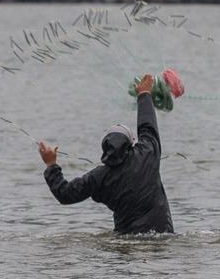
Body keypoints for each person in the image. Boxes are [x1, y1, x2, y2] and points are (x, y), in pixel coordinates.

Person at [38, 74, 174, 234]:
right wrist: (144, 94)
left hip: (125, 240)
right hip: (162, 236)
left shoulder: (98, 177)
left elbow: (65, 195)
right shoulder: (146, 154)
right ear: (130, 144)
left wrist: (51, 165)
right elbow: (147, 126)